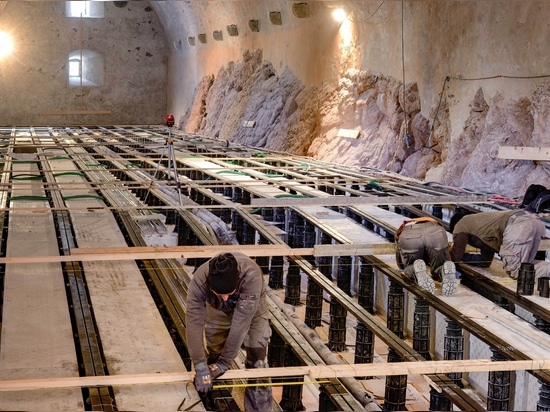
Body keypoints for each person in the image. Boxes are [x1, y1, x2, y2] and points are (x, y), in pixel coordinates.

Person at [186, 252, 272, 412]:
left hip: (253, 311)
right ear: (210, 286)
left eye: (229, 293)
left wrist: (224, 363)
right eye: (220, 293)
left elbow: (241, 324)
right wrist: (199, 363)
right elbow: (193, 322)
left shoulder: (251, 276)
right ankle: (222, 402)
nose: (226, 298)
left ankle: (259, 409)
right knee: (215, 354)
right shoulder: (200, 280)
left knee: (257, 360)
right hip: (217, 308)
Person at [450, 208, 546, 279]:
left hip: (518, 225)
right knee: (525, 265)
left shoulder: (460, 224)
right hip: (532, 221)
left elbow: (456, 255)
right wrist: (464, 257)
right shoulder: (481, 228)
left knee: (515, 271)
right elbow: (484, 261)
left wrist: (445, 255)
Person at [395, 217, 458, 296]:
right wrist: (447, 261)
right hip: (436, 233)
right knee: (440, 265)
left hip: (410, 235)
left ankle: (414, 268)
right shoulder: (435, 224)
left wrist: (403, 268)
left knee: (409, 266)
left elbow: (399, 261)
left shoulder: (404, 228)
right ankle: (443, 271)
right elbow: (447, 254)